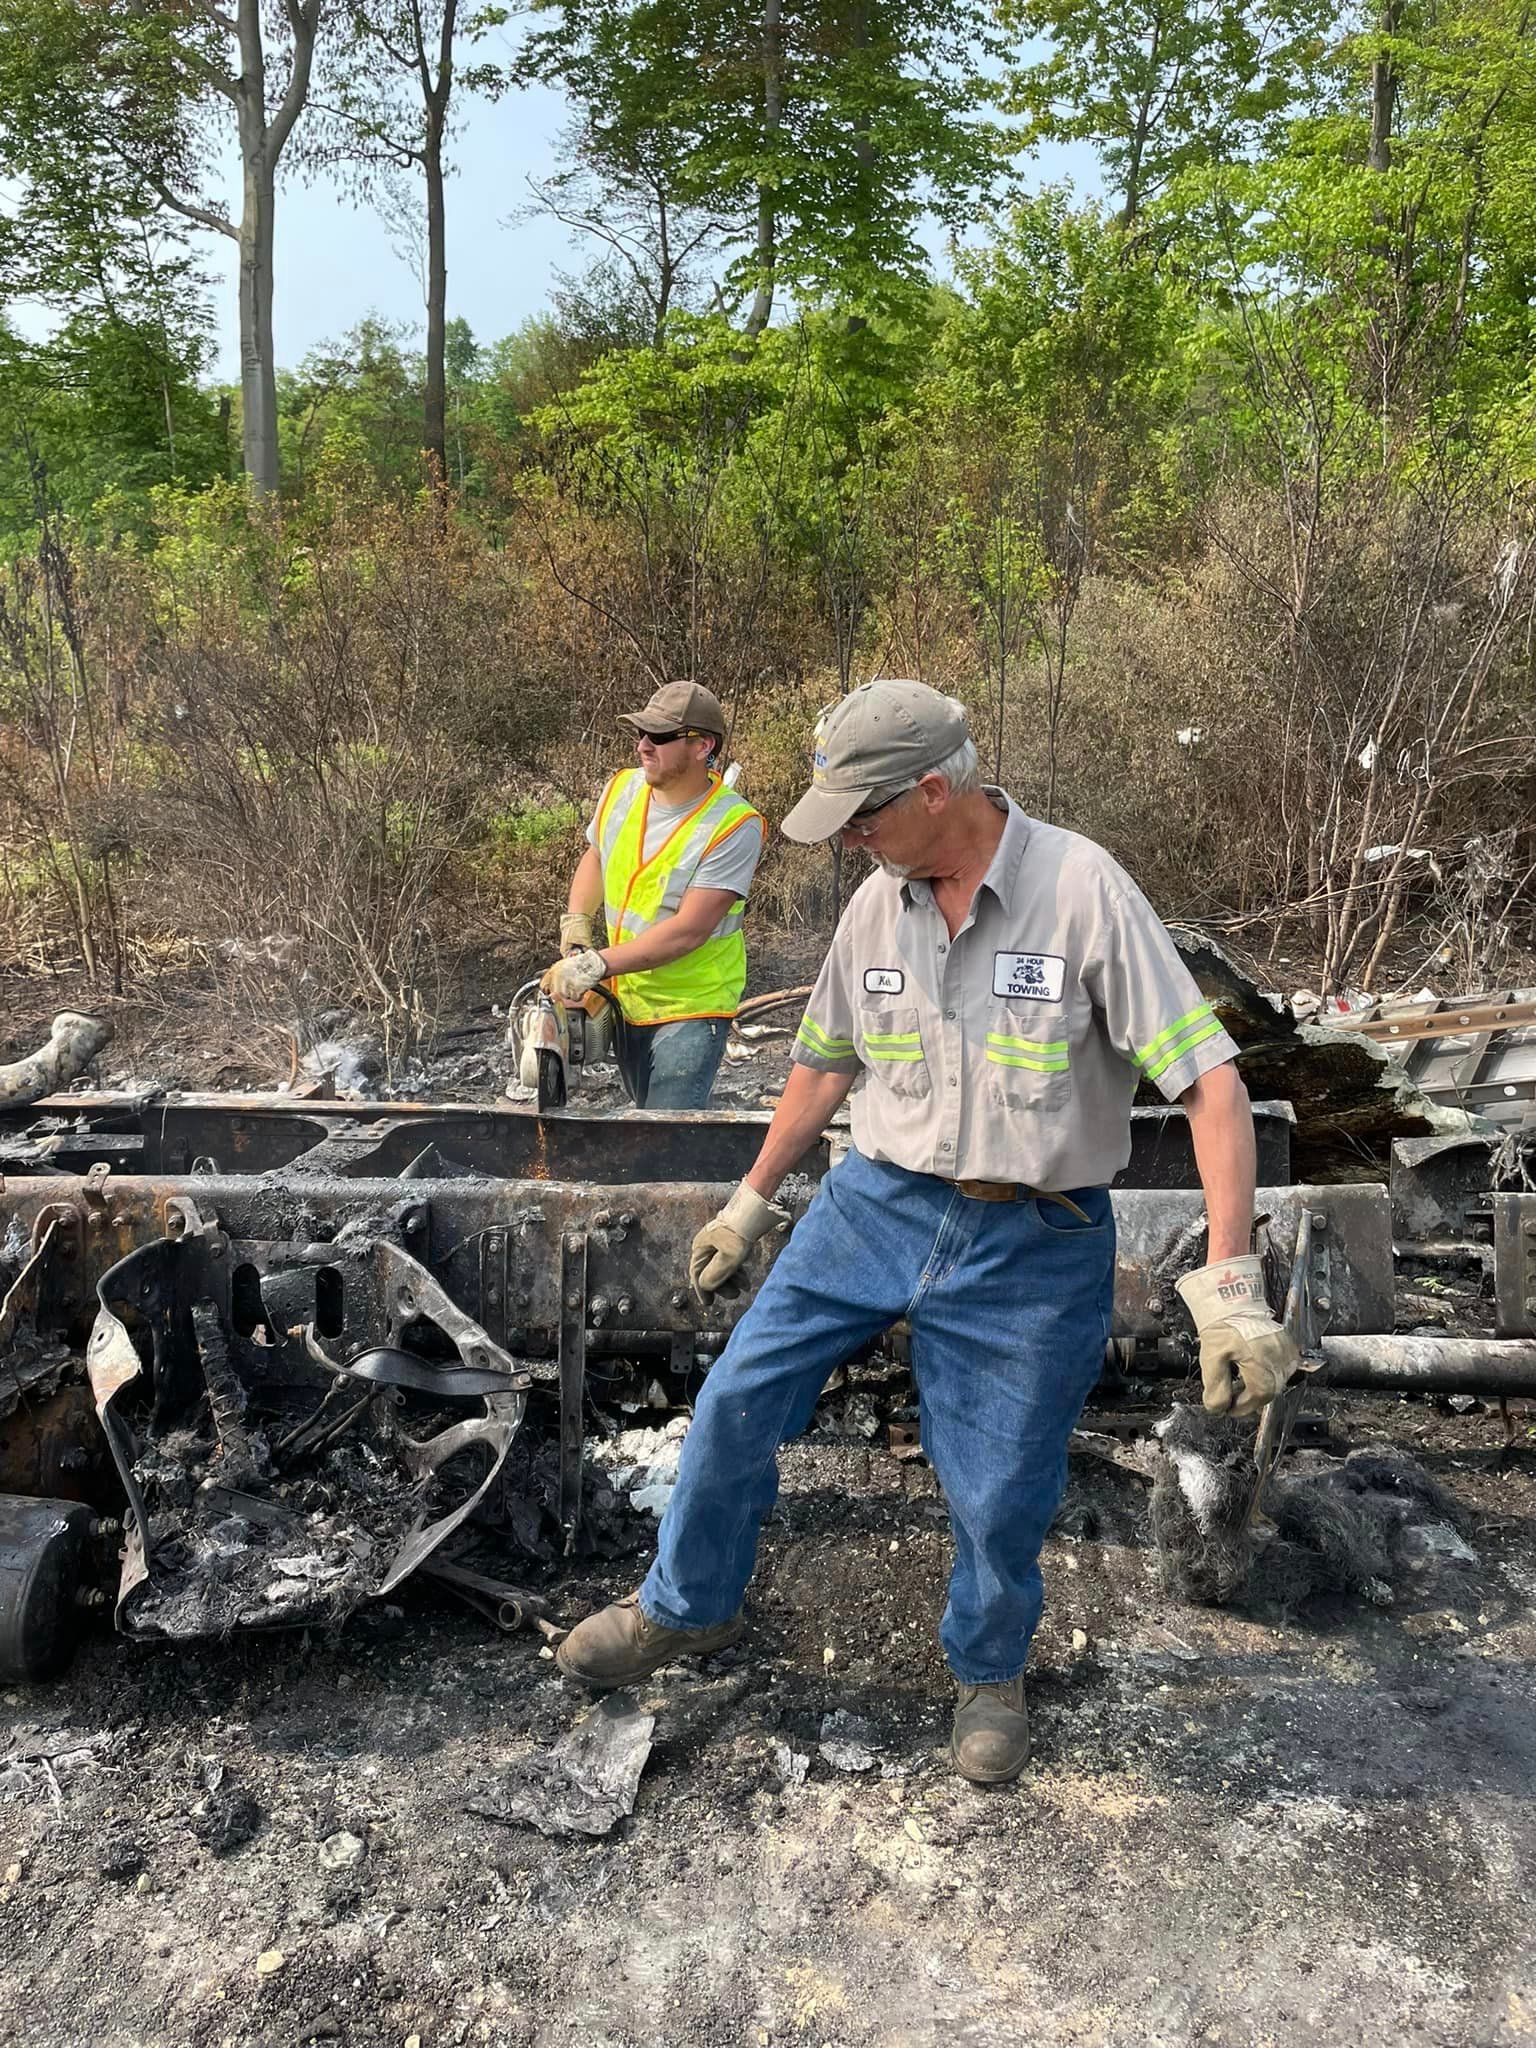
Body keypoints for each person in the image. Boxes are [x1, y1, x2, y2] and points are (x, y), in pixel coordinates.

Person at [556, 678, 1300, 1784]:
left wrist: (1231, 1280)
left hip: (1035, 1235)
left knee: (1002, 1482)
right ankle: (685, 1606)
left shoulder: (1082, 890)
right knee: (736, 1399)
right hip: (876, 1203)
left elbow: (1212, 1086)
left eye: (865, 814)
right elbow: (823, 1061)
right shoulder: (877, 903)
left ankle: (990, 1668)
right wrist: (753, 1198)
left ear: (938, 788)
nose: (851, 839)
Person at [541, 680, 765, 1111]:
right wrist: (576, 925)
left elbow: (689, 931)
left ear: (703, 746)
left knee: (665, 1130)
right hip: (629, 996)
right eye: (640, 734)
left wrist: (597, 963)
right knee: (646, 1113)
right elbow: (597, 856)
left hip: (691, 1008)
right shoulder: (623, 790)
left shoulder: (735, 825)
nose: (644, 746)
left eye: (659, 737)